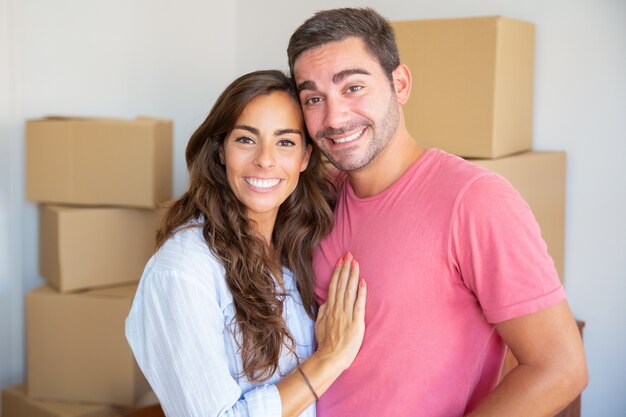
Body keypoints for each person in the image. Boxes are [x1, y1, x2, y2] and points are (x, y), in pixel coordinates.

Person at [287, 7, 588, 417]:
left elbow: (561, 368)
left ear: (400, 84)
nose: (334, 117)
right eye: (314, 99)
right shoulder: (319, 197)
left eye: (353, 87)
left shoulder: (474, 199)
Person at [125, 70, 367, 417]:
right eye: (246, 139)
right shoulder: (182, 270)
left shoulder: (292, 250)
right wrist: (330, 358)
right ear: (221, 150)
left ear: (305, 158)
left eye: (285, 142)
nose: (265, 160)